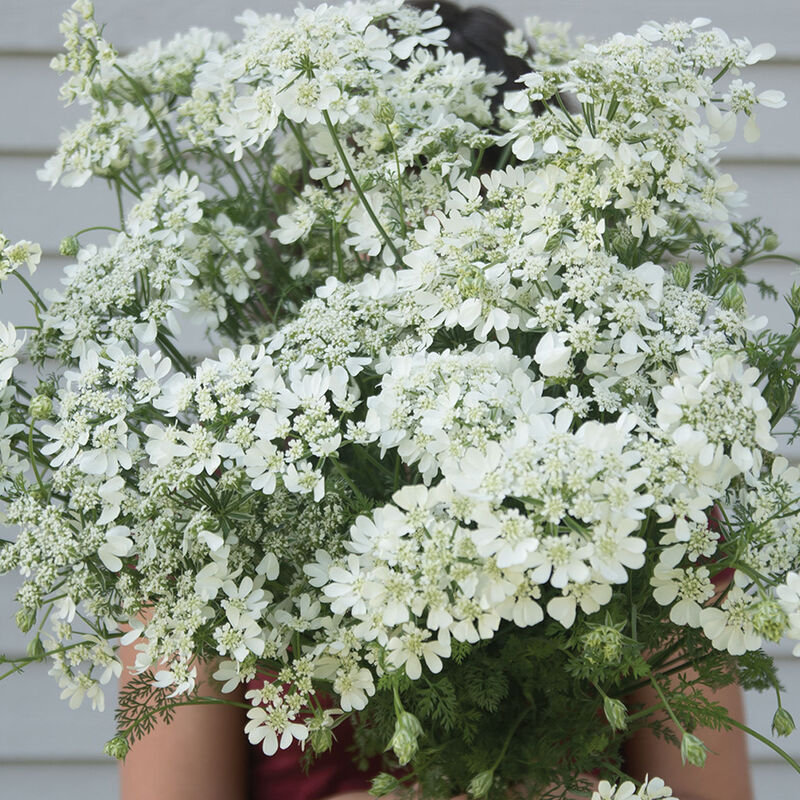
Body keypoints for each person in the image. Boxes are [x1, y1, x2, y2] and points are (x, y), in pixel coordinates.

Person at [120, 4, 756, 799]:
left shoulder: (656, 485)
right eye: (376, 194)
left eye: (471, 206)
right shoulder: (207, 503)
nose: (427, 248)